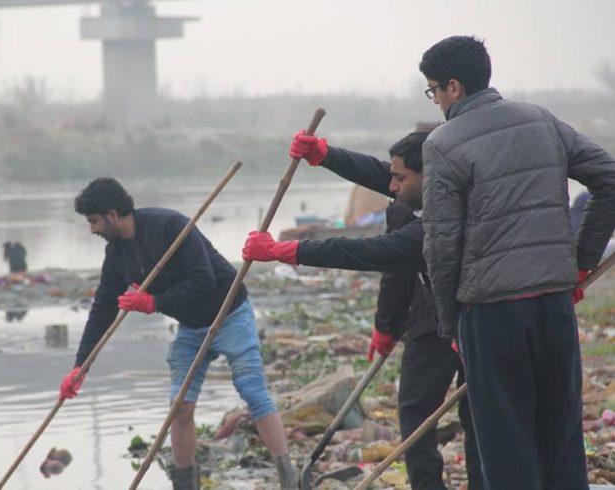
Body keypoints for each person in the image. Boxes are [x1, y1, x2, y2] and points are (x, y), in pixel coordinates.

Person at [418, 35, 615, 489]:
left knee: (506, 446)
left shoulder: (443, 143)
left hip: (491, 310)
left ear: (454, 87)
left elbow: (441, 245)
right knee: (562, 436)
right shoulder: (541, 120)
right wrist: (579, 264)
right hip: (553, 303)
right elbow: (608, 180)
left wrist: (450, 326)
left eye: (434, 91)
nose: (435, 103)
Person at [243, 129, 483, 489]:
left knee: (476, 413)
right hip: (432, 316)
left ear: (428, 175)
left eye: (400, 178)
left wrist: (286, 251)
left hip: (477, 319)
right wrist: (325, 155)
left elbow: (370, 253)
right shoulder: (411, 199)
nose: (393, 186)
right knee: (419, 414)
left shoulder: (442, 223)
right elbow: (396, 269)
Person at [59, 178, 297, 490]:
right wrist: (81, 366)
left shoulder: (170, 226)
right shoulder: (116, 255)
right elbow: (103, 308)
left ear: (113, 214)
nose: (92, 230)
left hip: (230, 313)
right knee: (180, 407)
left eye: (93, 221)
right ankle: (185, 486)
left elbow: (205, 279)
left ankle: (289, 480)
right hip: (191, 326)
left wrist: (154, 302)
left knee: (253, 392)